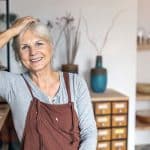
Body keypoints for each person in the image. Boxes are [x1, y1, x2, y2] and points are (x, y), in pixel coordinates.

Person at [0, 16, 97, 150]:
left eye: (39, 43)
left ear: (51, 46)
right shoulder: (13, 85)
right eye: (24, 47)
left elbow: (89, 133)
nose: (33, 52)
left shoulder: (76, 83)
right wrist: (11, 31)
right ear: (18, 55)